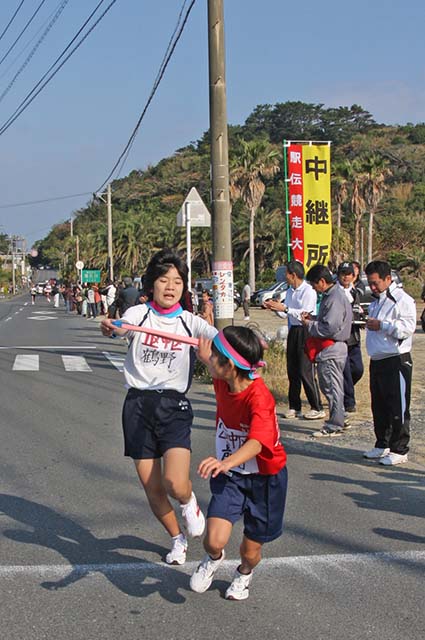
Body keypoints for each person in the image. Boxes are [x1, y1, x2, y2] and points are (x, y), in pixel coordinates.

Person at [100, 249, 217, 564]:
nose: (170, 286)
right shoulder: (140, 315)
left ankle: (189, 502)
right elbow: (121, 327)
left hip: (173, 405)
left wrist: (242, 346)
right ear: (151, 284)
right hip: (137, 405)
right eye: (163, 280)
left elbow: (221, 341)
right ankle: (176, 539)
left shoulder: (189, 322)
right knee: (153, 489)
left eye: (177, 281)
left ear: (183, 286)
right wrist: (111, 327)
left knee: (176, 482)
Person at [190, 326, 287, 601]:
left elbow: (257, 442)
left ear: (230, 365)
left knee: (250, 551)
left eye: (215, 357)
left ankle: (244, 574)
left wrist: (225, 462)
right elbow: (208, 358)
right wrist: (204, 352)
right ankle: (213, 559)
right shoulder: (224, 379)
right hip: (232, 476)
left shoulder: (260, 398)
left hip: (266, 479)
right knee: (213, 540)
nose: (211, 361)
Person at [363, 260, 416, 465]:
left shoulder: (402, 299)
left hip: (396, 359)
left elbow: (407, 328)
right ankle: (382, 444)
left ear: (388, 279)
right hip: (377, 359)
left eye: (376, 283)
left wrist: (382, 325)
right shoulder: (376, 301)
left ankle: (400, 449)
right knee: (380, 405)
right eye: (370, 283)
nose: (373, 287)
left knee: (398, 405)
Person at [264, 260, 324, 420]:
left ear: (294, 275)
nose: (286, 278)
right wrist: (276, 308)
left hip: (306, 330)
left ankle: (316, 406)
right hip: (293, 330)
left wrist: (286, 308)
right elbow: (287, 313)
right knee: (293, 369)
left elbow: (305, 313)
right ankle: (294, 406)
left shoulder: (308, 291)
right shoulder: (290, 291)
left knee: (306, 369)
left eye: (287, 275)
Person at [302, 264, 352, 437]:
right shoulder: (331, 295)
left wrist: (310, 324)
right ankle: (339, 417)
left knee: (332, 387)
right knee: (332, 386)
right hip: (331, 347)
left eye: (314, 284)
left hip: (331, 347)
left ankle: (334, 424)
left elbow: (330, 327)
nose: (314, 288)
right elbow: (327, 321)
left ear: (322, 282)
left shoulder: (334, 297)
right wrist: (314, 319)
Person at [337, 262, 364, 414]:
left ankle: (343, 389)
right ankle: (349, 402)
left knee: (357, 369)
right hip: (341, 338)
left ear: (353, 276)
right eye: (343, 273)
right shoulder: (335, 292)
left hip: (354, 336)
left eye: (349, 274)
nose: (346, 277)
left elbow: (359, 310)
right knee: (346, 370)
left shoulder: (356, 292)